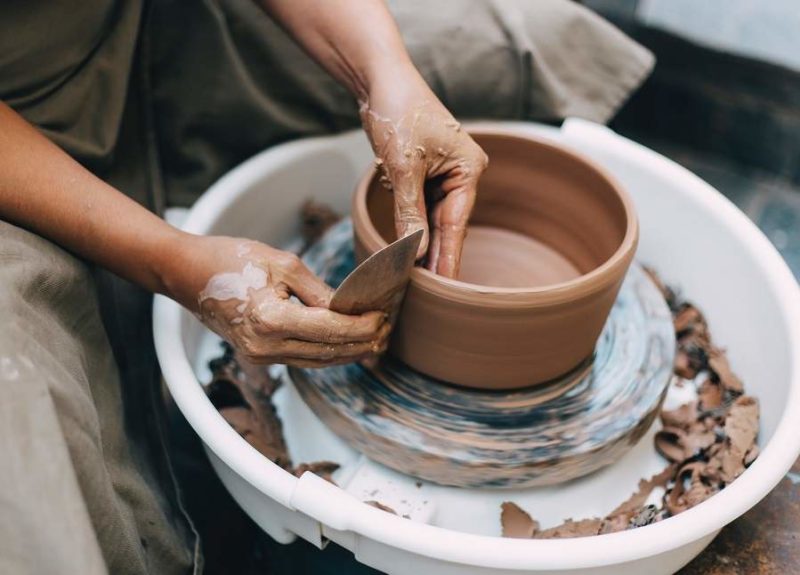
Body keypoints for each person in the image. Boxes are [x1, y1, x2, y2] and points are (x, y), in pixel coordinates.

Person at [0, 1, 653, 573]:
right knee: (24, 450)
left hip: (143, 21)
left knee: (513, 44)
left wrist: (384, 77)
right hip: (17, 127)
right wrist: (172, 261)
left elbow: (387, 70)